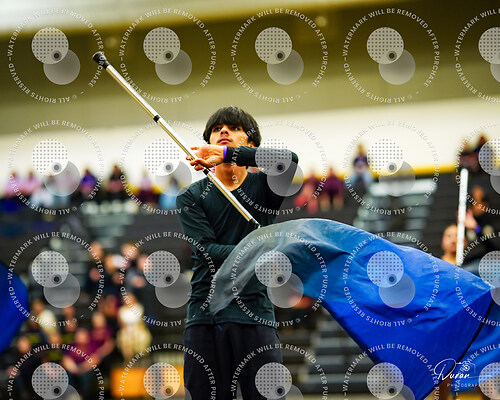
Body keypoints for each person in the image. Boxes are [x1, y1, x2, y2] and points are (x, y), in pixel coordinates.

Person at [176, 106, 298, 399]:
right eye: (216, 129)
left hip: (254, 313)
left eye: (234, 128)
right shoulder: (191, 196)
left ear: (251, 145)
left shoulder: (265, 189)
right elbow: (206, 251)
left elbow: (289, 160)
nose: (223, 131)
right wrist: (257, 249)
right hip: (206, 315)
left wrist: (228, 155)